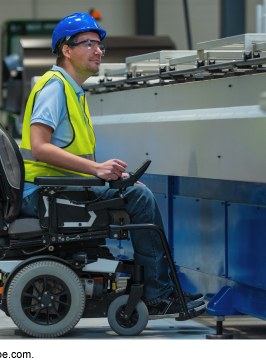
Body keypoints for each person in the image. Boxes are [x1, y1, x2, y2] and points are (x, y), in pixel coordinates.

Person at [18, 13, 204, 317]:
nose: (98, 50)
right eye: (89, 43)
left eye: (100, 45)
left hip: (56, 188)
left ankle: (159, 289)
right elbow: (40, 148)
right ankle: (158, 295)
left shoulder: (72, 90)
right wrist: (97, 171)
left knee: (135, 192)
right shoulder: (54, 88)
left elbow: (73, 154)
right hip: (42, 194)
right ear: (66, 49)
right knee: (141, 199)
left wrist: (116, 179)